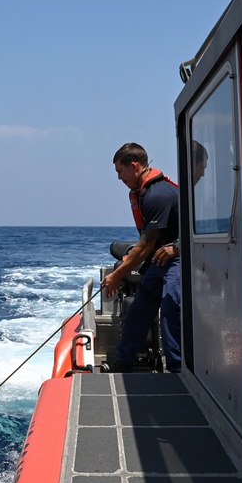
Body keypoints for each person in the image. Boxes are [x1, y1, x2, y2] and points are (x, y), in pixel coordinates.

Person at [103, 143, 182, 373]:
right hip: (160, 258)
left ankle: (177, 371)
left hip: (179, 257)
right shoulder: (144, 193)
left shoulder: (157, 194)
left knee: (170, 307)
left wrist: (118, 274)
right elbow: (149, 242)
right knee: (139, 309)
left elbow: (146, 245)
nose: (119, 178)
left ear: (134, 166)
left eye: (120, 171)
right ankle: (124, 363)